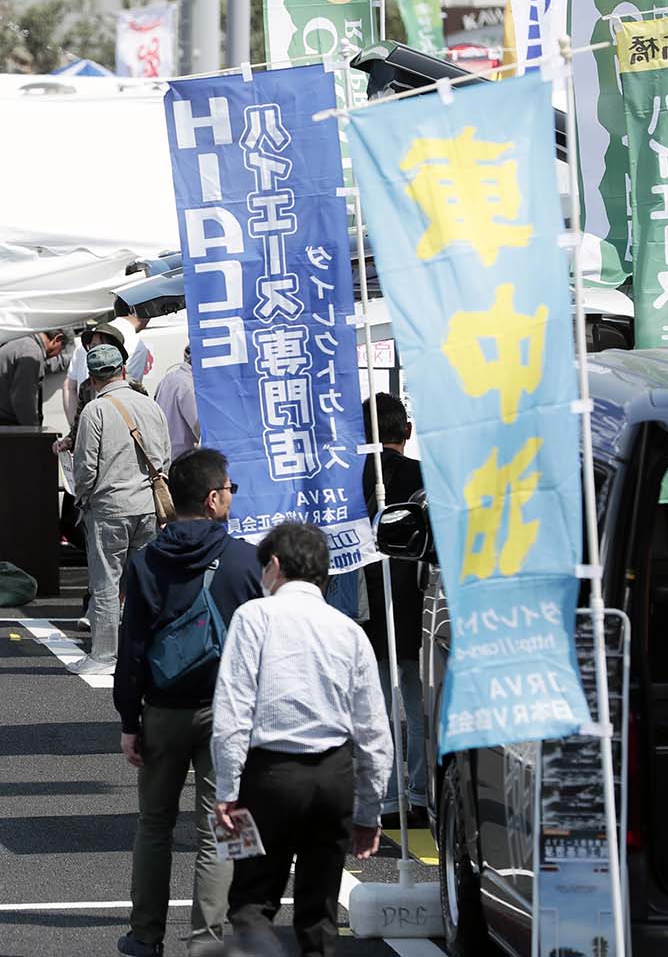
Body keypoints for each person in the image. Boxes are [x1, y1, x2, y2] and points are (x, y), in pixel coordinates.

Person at [211, 522, 391, 957]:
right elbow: (373, 731)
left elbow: (233, 711)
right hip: (334, 777)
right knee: (319, 914)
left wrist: (227, 790)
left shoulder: (253, 617)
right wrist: (368, 811)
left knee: (252, 904)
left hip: (270, 775)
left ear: (273, 565)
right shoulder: (348, 630)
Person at [112, 448, 262, 957]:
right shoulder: (246, 561)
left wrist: (129, 719)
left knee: (154, 824)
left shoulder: (146, 561)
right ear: (215, 497)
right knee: (220, 827)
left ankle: (144, 936)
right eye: (230, 491)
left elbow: (130, 646)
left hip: (162, 709)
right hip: (227, 714)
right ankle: (209, 942)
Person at [71, 343, 171, 675]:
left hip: (109, 507)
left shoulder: (94, 411)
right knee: (144, 584)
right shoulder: (149, 406)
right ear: (123, 370)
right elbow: (164, 458)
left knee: (106, 584)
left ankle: (103, 656)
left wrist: (82, 499)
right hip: (147, 507)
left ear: (92, 378)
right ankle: (146, 653)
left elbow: (85, 467)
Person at [359, 392, 429, 825]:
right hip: (418, 604)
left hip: (365, 607)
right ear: (407, 430)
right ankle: (421, 794)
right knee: (419, 705)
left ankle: (383, 797)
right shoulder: (424, 477)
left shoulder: (349, 479)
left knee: (376, 708)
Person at [68, 299, 154, 395]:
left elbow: (69, 386)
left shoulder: (92, 334)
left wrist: (78, 410)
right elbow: (127, 392)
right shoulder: (137, 344)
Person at [0, 329, 69, 427]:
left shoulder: (21, 342)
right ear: (57, 339)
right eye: (61, 350)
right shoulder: (32, 352)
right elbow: (23, 401)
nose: (57, 355)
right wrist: (34, 432)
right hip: (2, 425)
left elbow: (46, 365)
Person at [154, 345, 200, 459]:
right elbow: (201, 431)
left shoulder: (168, 379)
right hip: (185, 461)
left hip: (167, 457)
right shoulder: (189, 385)